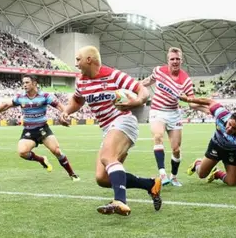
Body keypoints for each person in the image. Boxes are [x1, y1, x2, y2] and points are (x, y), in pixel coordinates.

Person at [60, 46, 162, 216]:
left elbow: (142, 90)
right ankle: (150, 184)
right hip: (107, 128)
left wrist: (136, 101)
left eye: (78, 59)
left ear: (89, 59)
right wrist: (66, 111)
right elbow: (77, 101)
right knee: (102, 178)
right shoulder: (81, 81)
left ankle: (120, 201)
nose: (76, 63)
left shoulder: (113, 75)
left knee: (108, 157)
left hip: (124, 121)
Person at [0, 75, 79, 181]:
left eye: (27, 82)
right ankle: (41, 160)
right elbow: (6, 105)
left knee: (57, 151)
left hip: (43, 129)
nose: (24, 85)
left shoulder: (44, 96)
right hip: (29, 130)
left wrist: (65, 113)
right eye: (23, 83)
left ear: (34, 83)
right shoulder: (20, 97)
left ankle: (72, 174)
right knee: (22, 152)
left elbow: (58, 105)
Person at [141, 47, 208, 186]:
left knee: (176, 149)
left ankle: (174, 176)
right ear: (168, 60)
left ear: (182, 60)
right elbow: (149, 81)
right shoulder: (159, 71)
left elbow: (192, 102)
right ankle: (162, 174)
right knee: (158, 136)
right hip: (157, 110)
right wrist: (134, 85)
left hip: (174, 113)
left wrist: (207, 108)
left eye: (178, 59)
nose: (175, 61)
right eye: (172, 59)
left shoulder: (185, 80)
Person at [179, 95, 236, 191]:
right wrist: (190, 99)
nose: (229, 129)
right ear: (229, 119)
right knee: (202, 175)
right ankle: (198, 163)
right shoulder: (221, 113)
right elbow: (209, 101)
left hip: (231, 151)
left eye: (234, 128)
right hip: (216, 145)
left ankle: (217, 173)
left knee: (232, 182)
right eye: (229, 124)